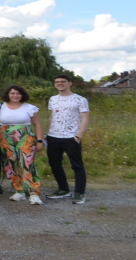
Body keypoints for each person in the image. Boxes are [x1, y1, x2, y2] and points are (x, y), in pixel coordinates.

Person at [0, 85, 45, 205]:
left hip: (25, 137)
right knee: (9, 164)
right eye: (12, 93)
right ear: (8, 94)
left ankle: (33, 192)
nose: (15, 96)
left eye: (18, 93)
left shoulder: (30, 108)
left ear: (22, 95)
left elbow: (37, 124)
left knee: (27, 163)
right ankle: (18, 190)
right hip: (5, 138)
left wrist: (39, 140)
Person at [46, 74, 89, 204]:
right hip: (54, 137)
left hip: (71, 137)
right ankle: (64, 189)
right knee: (55, 164)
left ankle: (79, 193)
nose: (60, 83)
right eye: (57, 82)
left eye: (63, 81)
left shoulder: (79, 99)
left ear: (70, 83)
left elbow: (85, 119)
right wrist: (47, 133)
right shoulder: (53, 99)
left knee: (77, 166)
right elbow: (51, 117)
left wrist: (78, 136)